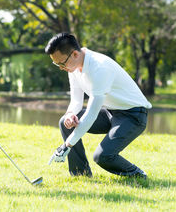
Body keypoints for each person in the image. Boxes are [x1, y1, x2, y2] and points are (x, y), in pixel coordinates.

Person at [46, 33, 151, 179]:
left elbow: (91, 114)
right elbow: (76, 101)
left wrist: (66, 146)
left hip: (133, 116)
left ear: (75, 54)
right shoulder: (74, 67)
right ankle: (81, 175)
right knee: (65, 122)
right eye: (57, 64)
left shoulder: (99, 67)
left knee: (102, 156)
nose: (61, 68)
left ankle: (138, 175)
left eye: (62, 63)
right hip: (110, 112)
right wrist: (70, 115)